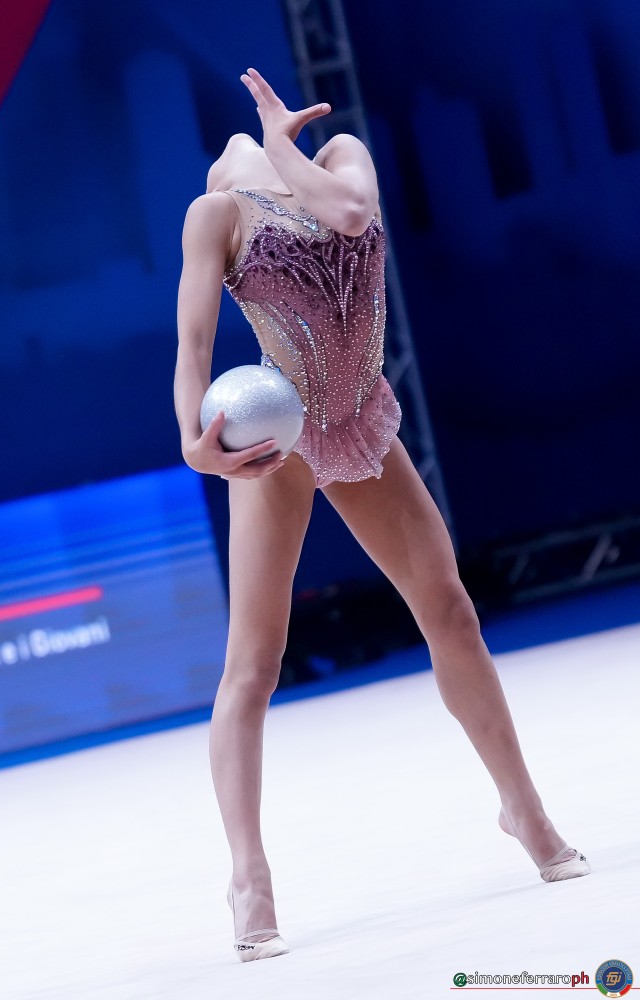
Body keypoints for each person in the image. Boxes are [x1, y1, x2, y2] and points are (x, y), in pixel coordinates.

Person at [173, 68, 590, 963]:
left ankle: (523, 808)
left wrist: (279, 146)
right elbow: (193, 345)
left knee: (451, 611)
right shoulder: (213, 216)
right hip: (278, 433)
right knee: (253, 663)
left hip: (358, 415)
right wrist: (191, 442)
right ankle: (249, 878)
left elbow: (354, 216)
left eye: (239, 157)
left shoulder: (339, 159)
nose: (227, 167)